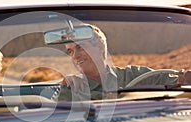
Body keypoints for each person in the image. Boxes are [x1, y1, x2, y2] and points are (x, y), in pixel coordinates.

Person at [52, 24, 191, 101]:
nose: (75, 56)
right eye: (70, 51)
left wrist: (185, 79)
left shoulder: (134, 75)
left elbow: (176, 83)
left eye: (80, 47)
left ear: (100, 47)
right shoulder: (70, 89)